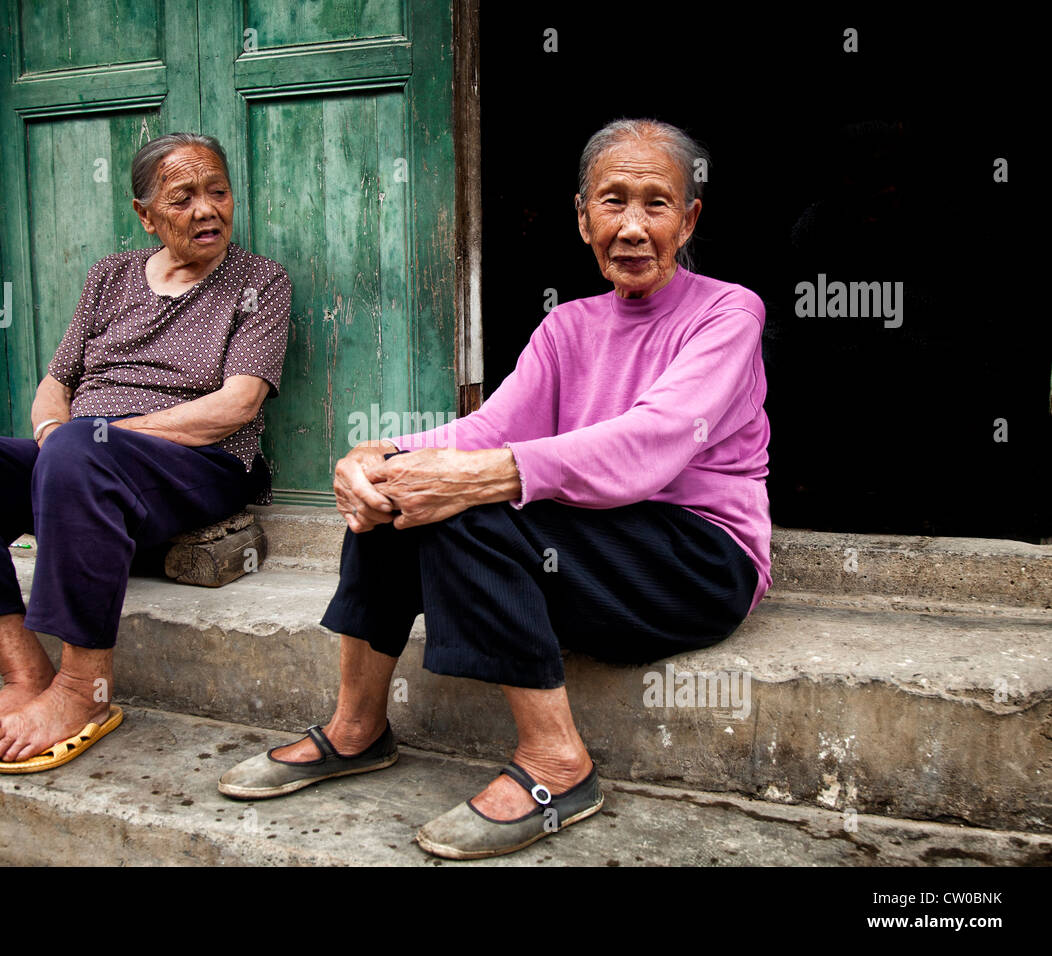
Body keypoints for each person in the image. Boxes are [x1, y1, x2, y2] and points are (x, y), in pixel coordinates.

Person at [219, 118, 771, 860]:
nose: (633, 227)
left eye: (656, 204)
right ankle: (357, 729)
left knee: (467, 512)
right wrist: (380, 456)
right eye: (613, 202)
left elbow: (655, 441)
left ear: (689, 218)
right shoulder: (568, 327)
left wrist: (477, 480)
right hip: (593, 552)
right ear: (583, 218)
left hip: (695, 560)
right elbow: (489, 428)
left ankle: (558, 766)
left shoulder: (728, 312)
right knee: (400, 501)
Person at [0, 133, 291, 773]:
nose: (207, 210)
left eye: (217, 191)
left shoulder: (258, 281)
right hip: (82, 458)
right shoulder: (110, 276)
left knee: (84, 445)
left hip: (196, 465)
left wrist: (102, 436)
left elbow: (236, 407)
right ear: (146, 215)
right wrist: (54, 432)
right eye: (183, 197)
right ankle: (24, 675)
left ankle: (84, 691)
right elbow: (59, 381)